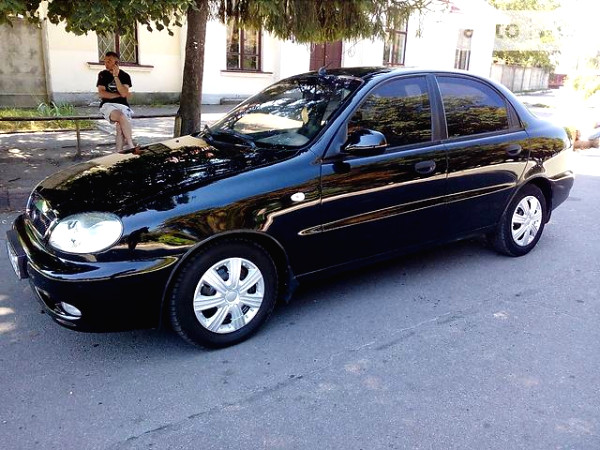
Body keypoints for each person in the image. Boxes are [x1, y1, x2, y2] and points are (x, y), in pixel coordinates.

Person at [96, 51, 135, 151]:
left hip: (123, 105)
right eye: (105, 61)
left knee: (120, 129)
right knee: (121, 116)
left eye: (109, 61)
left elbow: (124, 93)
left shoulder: (125, 76)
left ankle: (119, 152)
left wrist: (116, 76)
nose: (106, 63)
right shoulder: (102, 74)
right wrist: (118, 95)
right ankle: (131, 145)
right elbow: (102, 93)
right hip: (108, 105)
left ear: (116, 63)